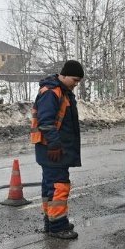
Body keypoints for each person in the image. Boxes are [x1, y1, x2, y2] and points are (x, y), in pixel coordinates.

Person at [30, 60, 84, 239]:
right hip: (53, 150)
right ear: (65, 75)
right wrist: (54, 144)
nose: (76, 84)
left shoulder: (62, 91)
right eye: (75, 80)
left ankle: (51, 221)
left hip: (55, 149)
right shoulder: (52, 93)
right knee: (59, 186)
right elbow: (46, 122)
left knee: (50, 187)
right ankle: (58, 226)